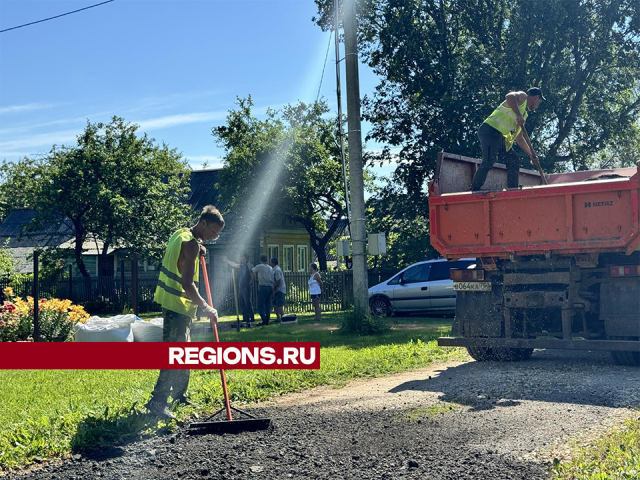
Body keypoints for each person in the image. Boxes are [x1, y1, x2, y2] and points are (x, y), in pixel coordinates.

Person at [145, 205, 224, 420]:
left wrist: (199, 248)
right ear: (204, 223)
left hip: (174, 304)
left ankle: (180, 395)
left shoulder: (181, 234)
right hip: (177, 305)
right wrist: (206, 307)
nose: (213, 237)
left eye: (217, 235)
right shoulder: (191, 245)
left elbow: (183, 254)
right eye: (213, 232)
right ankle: (157, 402)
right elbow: (188, 284)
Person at [470, 88, 545, 191]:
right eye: (539, 103)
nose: (537, 106)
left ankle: (512, 189)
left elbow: (519, 139)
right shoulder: (523, 97)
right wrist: (518, 115)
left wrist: (531, 154)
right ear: (536, 97)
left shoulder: (524, 115)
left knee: (513, 159)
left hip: (499, 137)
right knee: (489, 160)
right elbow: (509, 96)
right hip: (489, 130)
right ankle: (475, 188)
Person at [222, 254, 255, 327]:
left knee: (248, 303)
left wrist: (251, 282)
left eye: (243, 259)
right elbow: (235, 265)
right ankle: (245, 318)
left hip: (247, 287)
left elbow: (252, 274)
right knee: (242, 302)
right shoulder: (242, 266)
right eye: (242, 259)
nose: (242, 260)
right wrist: (227, 260)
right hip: (241, 287)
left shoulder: (250, 266)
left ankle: (251, 318)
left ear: (246, 259)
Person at [252, 254, 274, 326]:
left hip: (263, 286)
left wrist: (248, 264)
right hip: (270, 287)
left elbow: (252, 270)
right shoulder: (270, 268)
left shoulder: (260, 266)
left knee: (260, 305)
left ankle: (264, 320)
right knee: (268, 305)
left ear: (260, 260)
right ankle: (267, 320)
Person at [270, 257, 286, 323]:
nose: (270, 263)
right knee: (275, 304)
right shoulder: (274, 269)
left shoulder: (277, 270)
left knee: (279, 304)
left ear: (273, 263)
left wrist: (274, 288)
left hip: (279, 290)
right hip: (276, 290)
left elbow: (278, 280)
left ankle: (282, 317)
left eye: (271, 262)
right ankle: (278, 318)